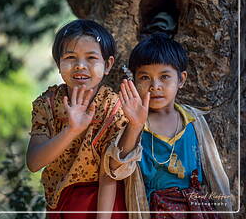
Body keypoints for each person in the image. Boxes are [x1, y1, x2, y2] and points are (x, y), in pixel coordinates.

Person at [104, 33, 233, 219]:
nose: (155, 86)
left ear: (181, 79)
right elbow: (115, 168)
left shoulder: (194, 121)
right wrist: (135, 125)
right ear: (134, 82)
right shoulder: (132, 124)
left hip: (197, 211)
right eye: (145, 77)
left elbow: (216, 177)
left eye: (164, 76)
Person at [26, 19, 129, 219]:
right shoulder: (46, 104)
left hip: (104, 204)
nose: (80, 66)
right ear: (58, 64)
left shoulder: (113, 107)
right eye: (70, 57)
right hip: (60, 201)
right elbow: (33, 163)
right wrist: (70, 131)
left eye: (91, 58)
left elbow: (109, 173)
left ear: (107, 65)